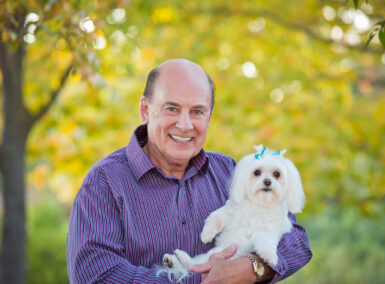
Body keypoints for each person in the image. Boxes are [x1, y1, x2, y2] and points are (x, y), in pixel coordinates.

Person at [67, 58, 312, 283]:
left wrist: (252, 267)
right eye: (171, 109)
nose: (185, 125)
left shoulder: (230, 172)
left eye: (197, 111)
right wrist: (199, 280)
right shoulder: (104, 182)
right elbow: (96, 274)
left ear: (210, 116)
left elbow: (296, 241)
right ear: (145, 109)